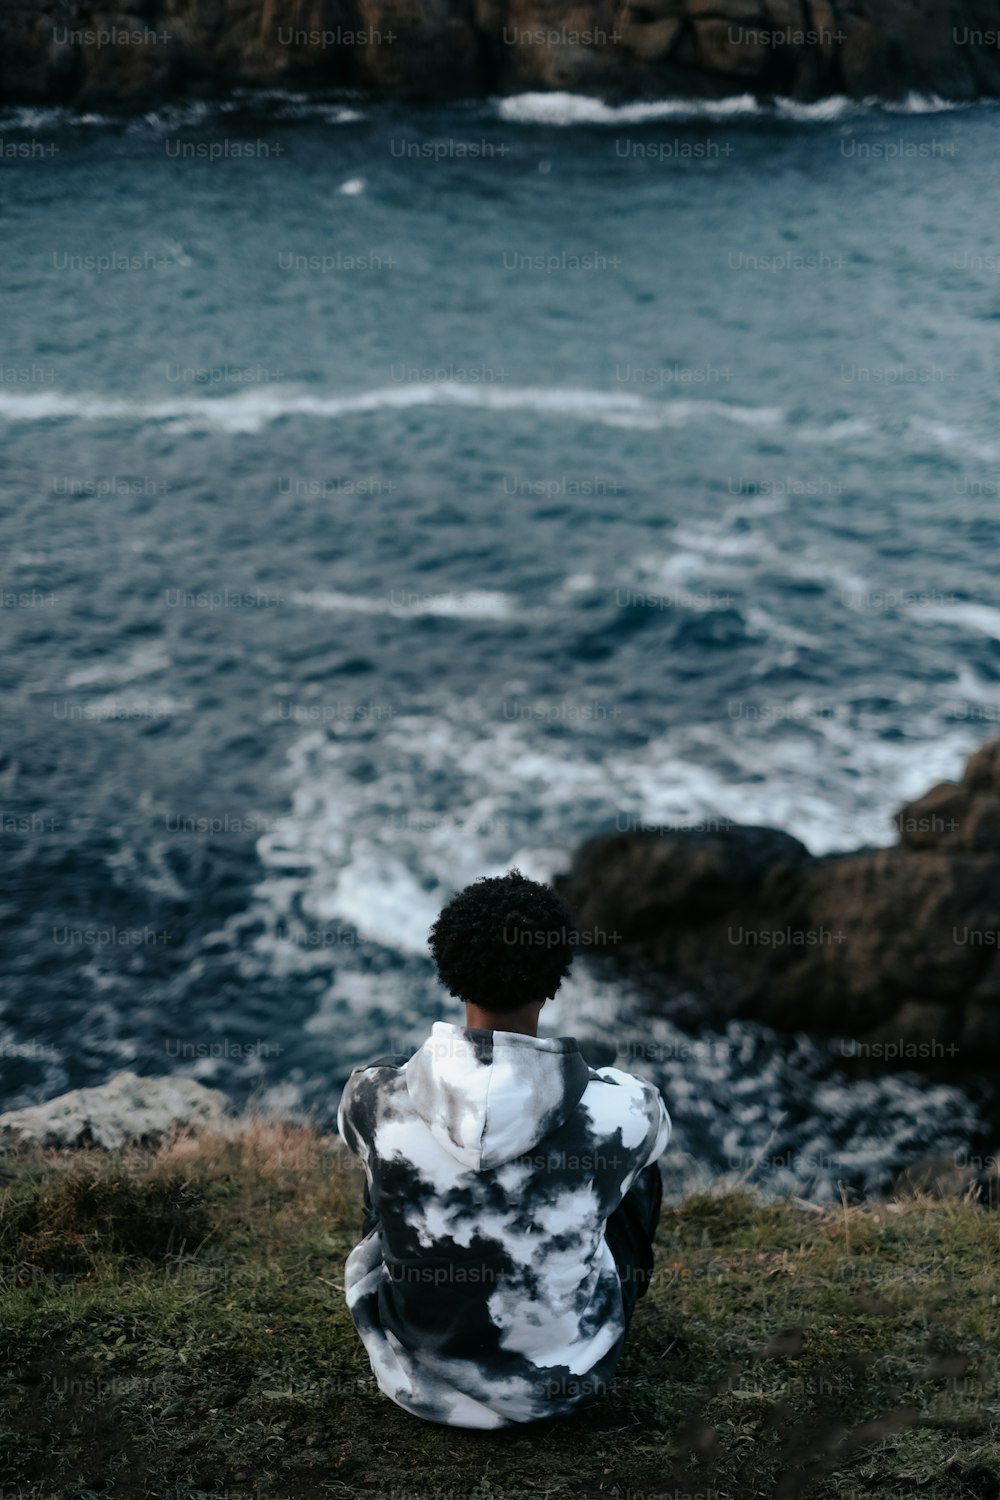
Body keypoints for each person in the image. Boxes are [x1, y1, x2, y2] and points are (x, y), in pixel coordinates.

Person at [336, 868, 670, 1429]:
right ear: (554, 981)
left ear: (452, 974)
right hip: (562, 1386)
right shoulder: (629, 1107)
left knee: (388, 1160)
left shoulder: (372, 1094)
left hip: (414, 1382)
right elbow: (643, 1151)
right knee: (637, 1170)